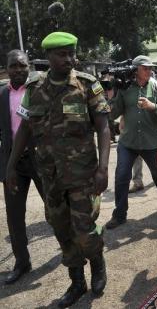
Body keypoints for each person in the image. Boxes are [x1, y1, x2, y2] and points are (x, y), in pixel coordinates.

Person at [6, 32, 110, 307]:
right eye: (62, 54)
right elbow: (24, 130)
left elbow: (103, 126)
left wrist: (103, 169)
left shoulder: (87, 85)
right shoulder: (34, 89)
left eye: (72, 53)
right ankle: (77, 281)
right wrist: (10, 166)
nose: (70, 59)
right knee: (62, 230)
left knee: (85, 231)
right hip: (50, 176)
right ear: (49, 57)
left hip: (83, 175)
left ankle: (97, 263)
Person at [106, 55, 157, 229]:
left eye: (150, 68)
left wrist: (153, 106)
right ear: (135, 70)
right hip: (128, 142)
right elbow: (113, 114)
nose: (150, 71)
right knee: (121, 176)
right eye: (145, 68)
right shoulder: (125, 88)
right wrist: (113, 94)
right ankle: (119, 215)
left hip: (151, 142)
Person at [1, 50, 45, 285]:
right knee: (14, 215)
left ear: (29, 67)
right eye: (13, 66)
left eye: (22, 65)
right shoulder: (1, 94)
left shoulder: (39, 90)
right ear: (7, 68)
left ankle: (71, 255)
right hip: (13, 164)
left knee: (55, 209)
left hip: (40, 159)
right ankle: (22, 262)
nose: (18, 69)